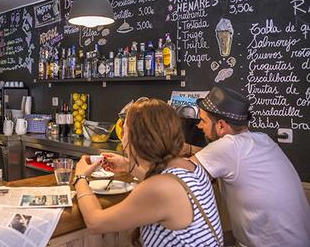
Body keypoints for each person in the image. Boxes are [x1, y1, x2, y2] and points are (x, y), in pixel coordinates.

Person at [105, 87, 310, 247]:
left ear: (221, 126)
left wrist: (129, 165)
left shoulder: (228, 147)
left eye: (203, 120)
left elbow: (172, 178)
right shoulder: (259, 139)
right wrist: (186, 148)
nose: (199, 126)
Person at [74, 98, 223, 247]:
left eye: (125, 130)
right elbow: (163, 183)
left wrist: (80, 177)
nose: (123, 137)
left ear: (138, 138)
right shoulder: (191, 167)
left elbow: (95, 222)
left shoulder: (160, 189)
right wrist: (128, 166)